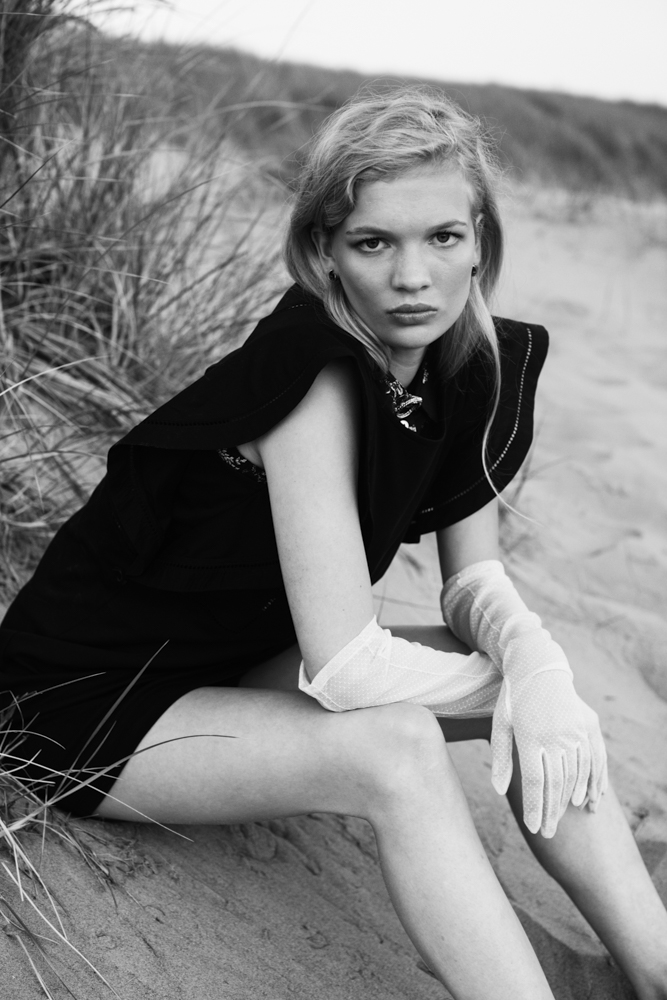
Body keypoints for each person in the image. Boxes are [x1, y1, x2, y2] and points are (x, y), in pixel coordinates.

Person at [1, 87, 666, 1000]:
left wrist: (536, 669)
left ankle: (655, 966)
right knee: (397, 748)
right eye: (373, 243)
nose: (412, 277)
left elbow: (472, 583)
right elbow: (348, 668)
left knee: (531, 672)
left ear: (480, 241)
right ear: (324, 252)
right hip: (86, 704)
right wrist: (526, 690)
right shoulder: (309, 371)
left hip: (234, 665)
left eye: (442, 237)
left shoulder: (470, 362)